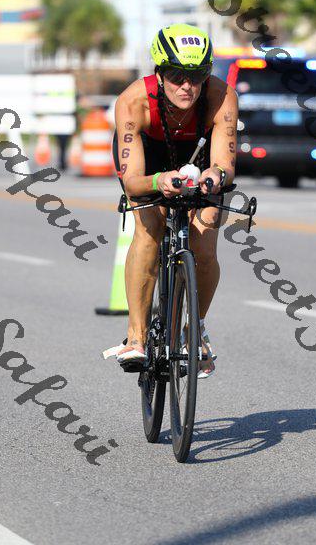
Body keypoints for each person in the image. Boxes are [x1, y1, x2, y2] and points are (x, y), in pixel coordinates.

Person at [112, 23, 238, 377]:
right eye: (177, 76)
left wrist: (215, 176)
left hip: (199, 156)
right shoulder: (133, 101)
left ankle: (193, 330)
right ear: (159, 72)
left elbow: (224, 165)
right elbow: (133, 182)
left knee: (206, 237)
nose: (187, 86)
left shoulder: (221, 96)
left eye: (197, 76)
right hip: (149, 161)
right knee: (149, 230)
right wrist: (159, 181)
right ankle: (136, 337)